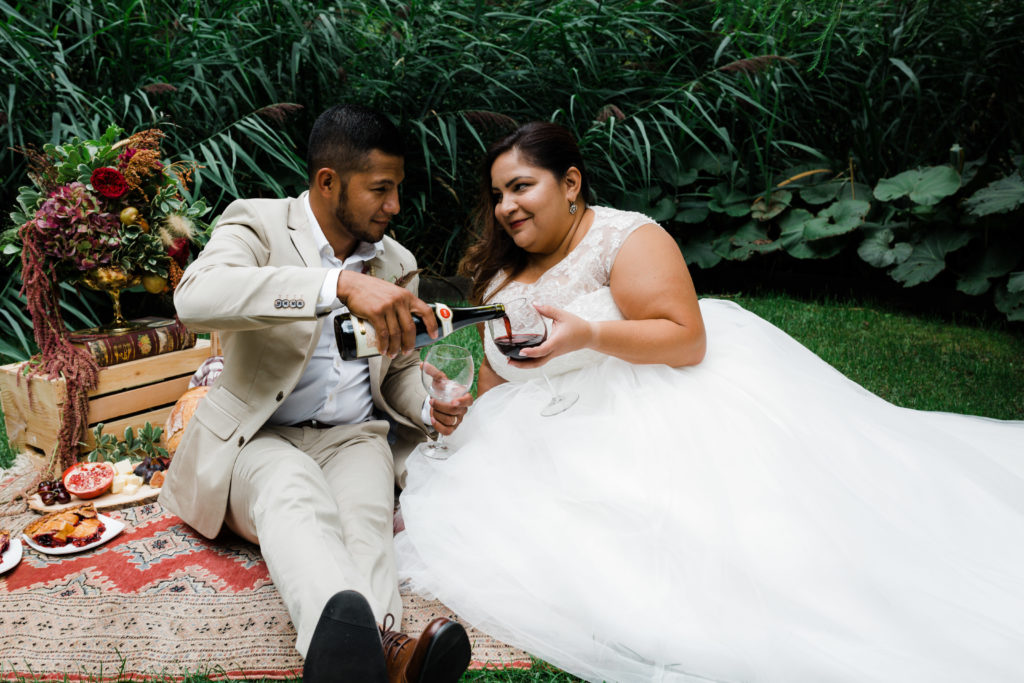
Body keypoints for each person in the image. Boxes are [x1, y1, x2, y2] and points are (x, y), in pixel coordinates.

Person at [394, 121, 1024, 682]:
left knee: (708, 548)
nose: (506, 206)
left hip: (648, 400)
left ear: (571, 183)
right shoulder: (503, 277)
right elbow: (501, 379)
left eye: (522, 187)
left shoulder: (624, 239)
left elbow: (685, 338)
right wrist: (458, 403)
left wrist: (588, 334)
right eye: (499, 194)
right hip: (541, 425)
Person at [160, 103, 473, 683]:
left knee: (366, 526)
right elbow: (196, 298)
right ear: (328, 182)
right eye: (381, 189)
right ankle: (390, 652)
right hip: (261, 436)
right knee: (294, 492)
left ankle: (371, 659)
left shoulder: (396, 261)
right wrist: (338, 283)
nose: (394, 206)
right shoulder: (255, 222)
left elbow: (397, 370)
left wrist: (428, 407)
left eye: (398, 189)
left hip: (355, 438)